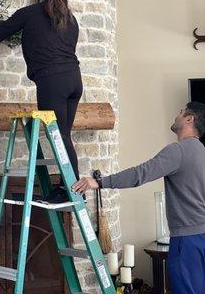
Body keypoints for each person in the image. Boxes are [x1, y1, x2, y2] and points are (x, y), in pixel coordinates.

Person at [73, 102, 205, 294]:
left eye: (181, 112)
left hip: (187, 241)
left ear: (189, 119)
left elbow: (140, 174)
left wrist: (100, 182)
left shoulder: (178, 151)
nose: (177, 115)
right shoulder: (202, 151)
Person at [0, 0, 83, 203]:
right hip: (74, 80)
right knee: (64, 136)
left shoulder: (30, 14)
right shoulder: (70, 20)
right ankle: (68, 187)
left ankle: (69, 189)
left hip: (52, 82)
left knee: (60, 137)